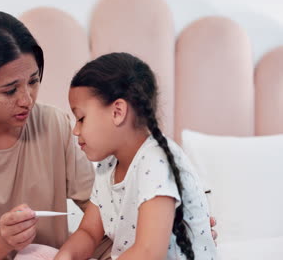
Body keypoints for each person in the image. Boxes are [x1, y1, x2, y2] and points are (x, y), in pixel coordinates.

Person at [0, 11, 217, 260]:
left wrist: (175, 229)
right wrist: (1, 240)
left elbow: (103, 224)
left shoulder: (53, 124)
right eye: (10, 90)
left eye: (33, 81)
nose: (26, 99)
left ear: (118, 112)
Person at [50, 52, 217, 260]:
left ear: (117, 112)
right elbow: (89, 232)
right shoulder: (107, 166)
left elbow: (148, 252)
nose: (76, 130)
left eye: (81, 118)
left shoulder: (157, 161)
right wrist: (64, 256)